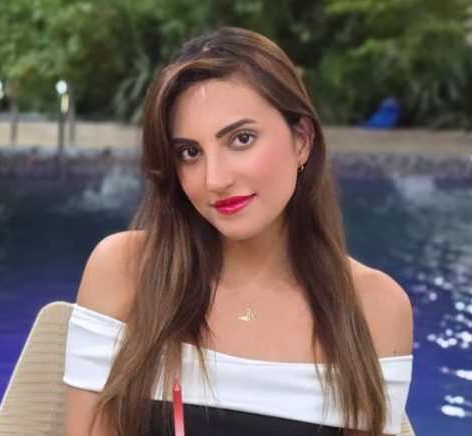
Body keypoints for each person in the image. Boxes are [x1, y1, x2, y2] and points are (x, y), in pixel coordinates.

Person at [63, 26, 413, 436]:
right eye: (190, 152)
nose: (214, 179)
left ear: (302, 141)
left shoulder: (375, 308)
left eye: (241, 139)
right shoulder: (125, 271)